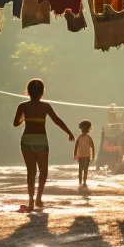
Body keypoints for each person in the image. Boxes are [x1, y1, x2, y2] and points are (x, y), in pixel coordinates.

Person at [13, 79, 75, 212]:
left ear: (28, 92)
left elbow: (15, 123)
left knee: (31, 171)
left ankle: (30, 200)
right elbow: (57, 120)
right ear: (42, 92)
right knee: (43, 171)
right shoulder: (46, 106)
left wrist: (25, 118)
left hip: (27, 140)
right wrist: (69, 132)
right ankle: (39, 198)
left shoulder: (22, 106)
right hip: (41, 140)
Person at [74, 120, 96, 188]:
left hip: (86, 156)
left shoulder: (88, 138)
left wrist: (93, 156)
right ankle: (81, 181)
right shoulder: (80, 137)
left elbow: (92, 147)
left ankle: (83, 181)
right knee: (81, 169)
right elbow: (76, 146)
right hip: (82, 156)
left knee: (84, 169)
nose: (84, 130)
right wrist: (75, 155)